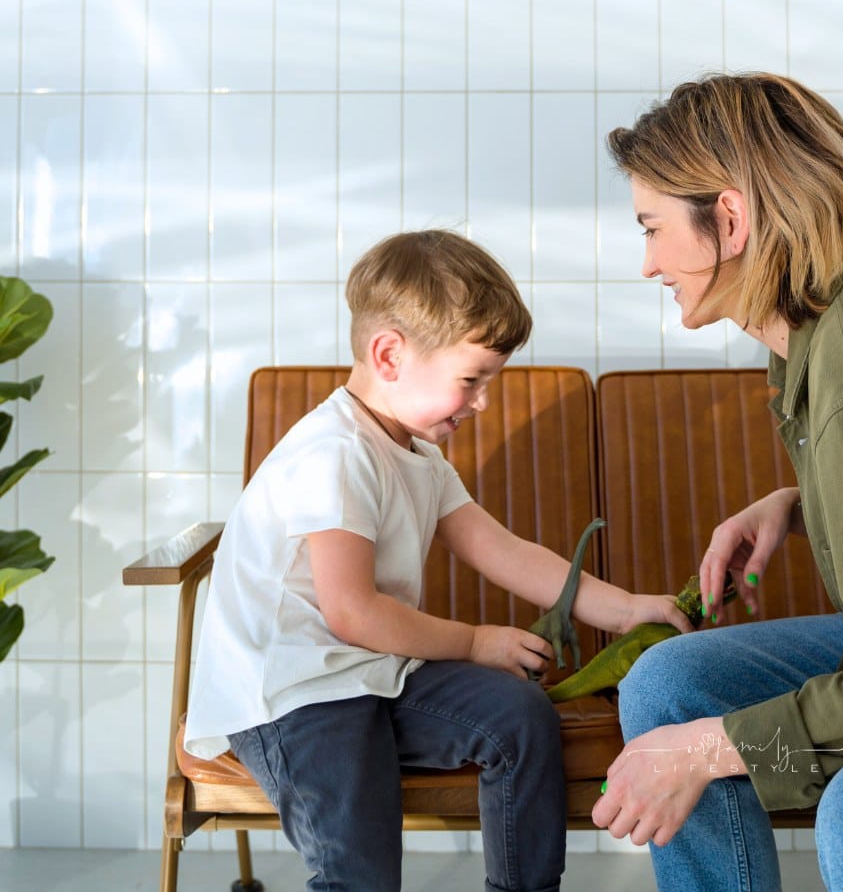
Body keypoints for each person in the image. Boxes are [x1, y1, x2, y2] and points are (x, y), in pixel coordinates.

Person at [184, 229, 688, 892]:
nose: (482, 402)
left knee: (519, 718)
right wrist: (475, 641)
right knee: (357, 869)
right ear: (389, 355)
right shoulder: (332, 455)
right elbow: (352, 612)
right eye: (471, 380)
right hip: (291, 691)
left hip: (368, 674)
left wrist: (626, 609)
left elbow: (499, 549)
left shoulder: (418, 452)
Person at [593, 72, 843, 891]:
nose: (650, 263)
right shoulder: (814, 330)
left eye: (654, 228)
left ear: (728, 219)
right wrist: (800, 504)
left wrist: (709, 749)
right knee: (670, 681)